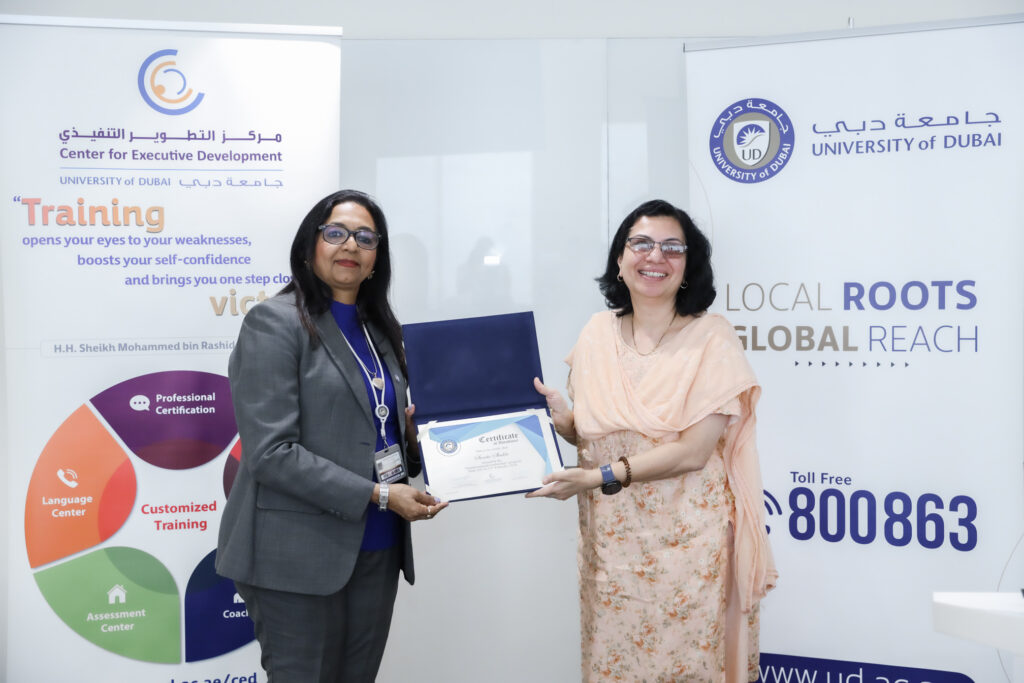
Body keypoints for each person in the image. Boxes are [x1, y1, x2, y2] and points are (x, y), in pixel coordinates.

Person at [529, 199, 776, 682]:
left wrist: (597, 477)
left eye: (672, 247)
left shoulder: (712, 338)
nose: (655, 256)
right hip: (611, 547)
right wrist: (567, 422)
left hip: (689, 548)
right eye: (641, 243)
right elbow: (600, 433)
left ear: (688, 265)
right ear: (620, 260)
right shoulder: (596, 333)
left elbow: (693, 451)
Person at [216, 189, 447, 682]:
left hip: (378, 546)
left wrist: (411, 439)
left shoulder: (380, 330)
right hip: (296, 552)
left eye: (365, 238)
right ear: (309, 246)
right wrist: (380, 495)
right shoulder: (274, 322)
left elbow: (378, 427)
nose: (350, 246)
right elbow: (272, 453)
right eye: (336, 233)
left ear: (376, 259)